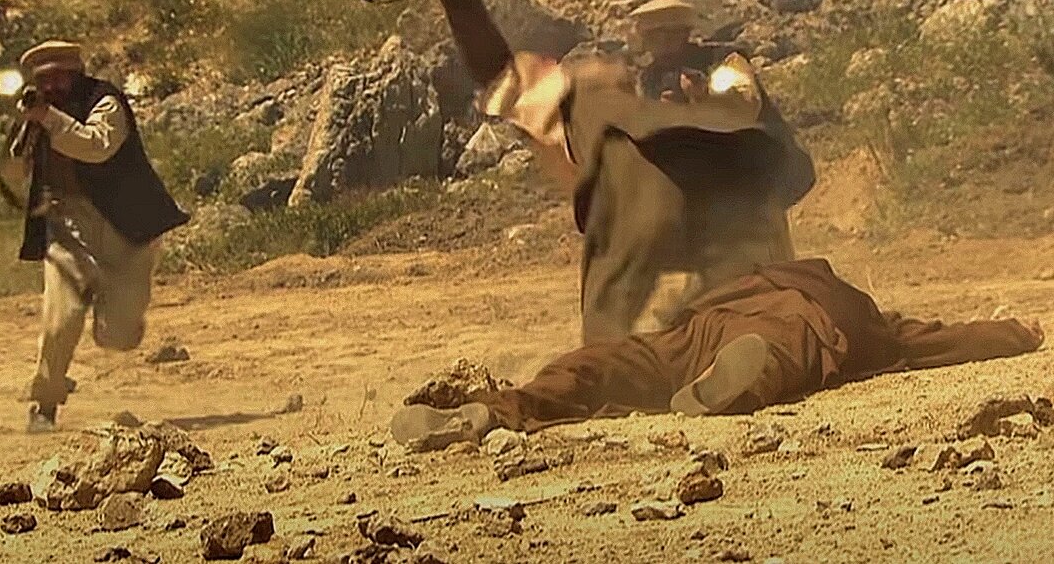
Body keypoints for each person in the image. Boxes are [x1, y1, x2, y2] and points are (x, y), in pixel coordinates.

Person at [427, 0, 815, 344]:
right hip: (678, 215)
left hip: (738, 203)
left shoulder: (721, 63)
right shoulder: (630, 86)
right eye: (654, 35)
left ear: (685, 32)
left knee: (760, 310)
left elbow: (740, 103)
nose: (661, 42)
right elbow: (508, 81)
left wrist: (701, 101)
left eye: (668, 33)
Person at [390, 258, 1045, 451]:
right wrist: (1017, 332)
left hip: (719, 328)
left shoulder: (784, 285)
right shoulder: (858, 311)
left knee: (616, 362)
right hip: (748, 327)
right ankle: (491, 410)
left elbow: (942, 338)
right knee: (766, 355)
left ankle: (496, 411)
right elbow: (942, 339)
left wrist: (1015, 332)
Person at [0, 40, 189, 433]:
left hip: (126, 227)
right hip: (67, 227)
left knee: (117, 335)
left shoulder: (105, 102)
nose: (51, 88)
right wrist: (24, 134)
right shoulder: (39, 116)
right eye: (43, 81)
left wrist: (49, 119)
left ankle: (119, 320)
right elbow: (12, 175)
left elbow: (96, 147)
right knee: (61, 318)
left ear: (76, 75)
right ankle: (45, 402)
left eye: (58, 79)